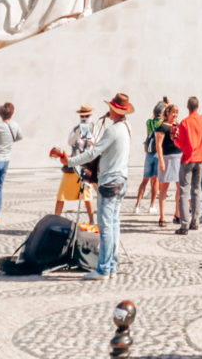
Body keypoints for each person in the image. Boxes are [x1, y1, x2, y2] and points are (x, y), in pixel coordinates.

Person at [67, 91, 133, 279]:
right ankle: (111, 265)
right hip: (121, 179)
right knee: (114, 224)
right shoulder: (127, 127)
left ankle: (103, 268)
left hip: (109, 182)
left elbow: (92, 153)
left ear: (114, 110)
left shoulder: (112, 130)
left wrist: (70, 161)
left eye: (110, 109)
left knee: (106, 226)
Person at [175, 95, 202, 234]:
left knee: (184, 192)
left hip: (188, 159)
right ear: (198, 106)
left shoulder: (185, 122)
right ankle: (195, 222)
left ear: (188, 107)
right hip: (200, 159)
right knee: (197, 190)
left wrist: (174, 139)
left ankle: (184, 225)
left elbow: (180, 143)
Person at [54, 104, 96, 224]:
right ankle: (55, 218)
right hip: (73, 166)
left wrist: (89, 137)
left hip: (86, 166)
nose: (84, 118)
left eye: (87, 115)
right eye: (82, 115)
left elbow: (97, 143)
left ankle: (92, 221)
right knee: (61, 195)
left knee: (87, 196)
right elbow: (70, 141)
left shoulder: (94, 129)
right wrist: (79, 133)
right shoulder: (76, 129)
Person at [134, 99, 166, 215]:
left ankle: (137, 205)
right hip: (158, 154)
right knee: (155, 180)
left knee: (144, 180)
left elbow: (152, 117)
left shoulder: (149, 122)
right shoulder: (162, 123)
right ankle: (151, 206)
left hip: (148, 154)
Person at [155, 103, 182, 228]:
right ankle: (162, 216)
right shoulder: (162, 127)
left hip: (178, 158)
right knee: (164, 189)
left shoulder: (178, 126)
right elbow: (158, 145)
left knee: (179, 187)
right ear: (167, 113)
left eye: (176, 112)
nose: (175, 115)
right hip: (167, 158)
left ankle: (177, 213)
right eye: (173, 112)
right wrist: (161, 161)